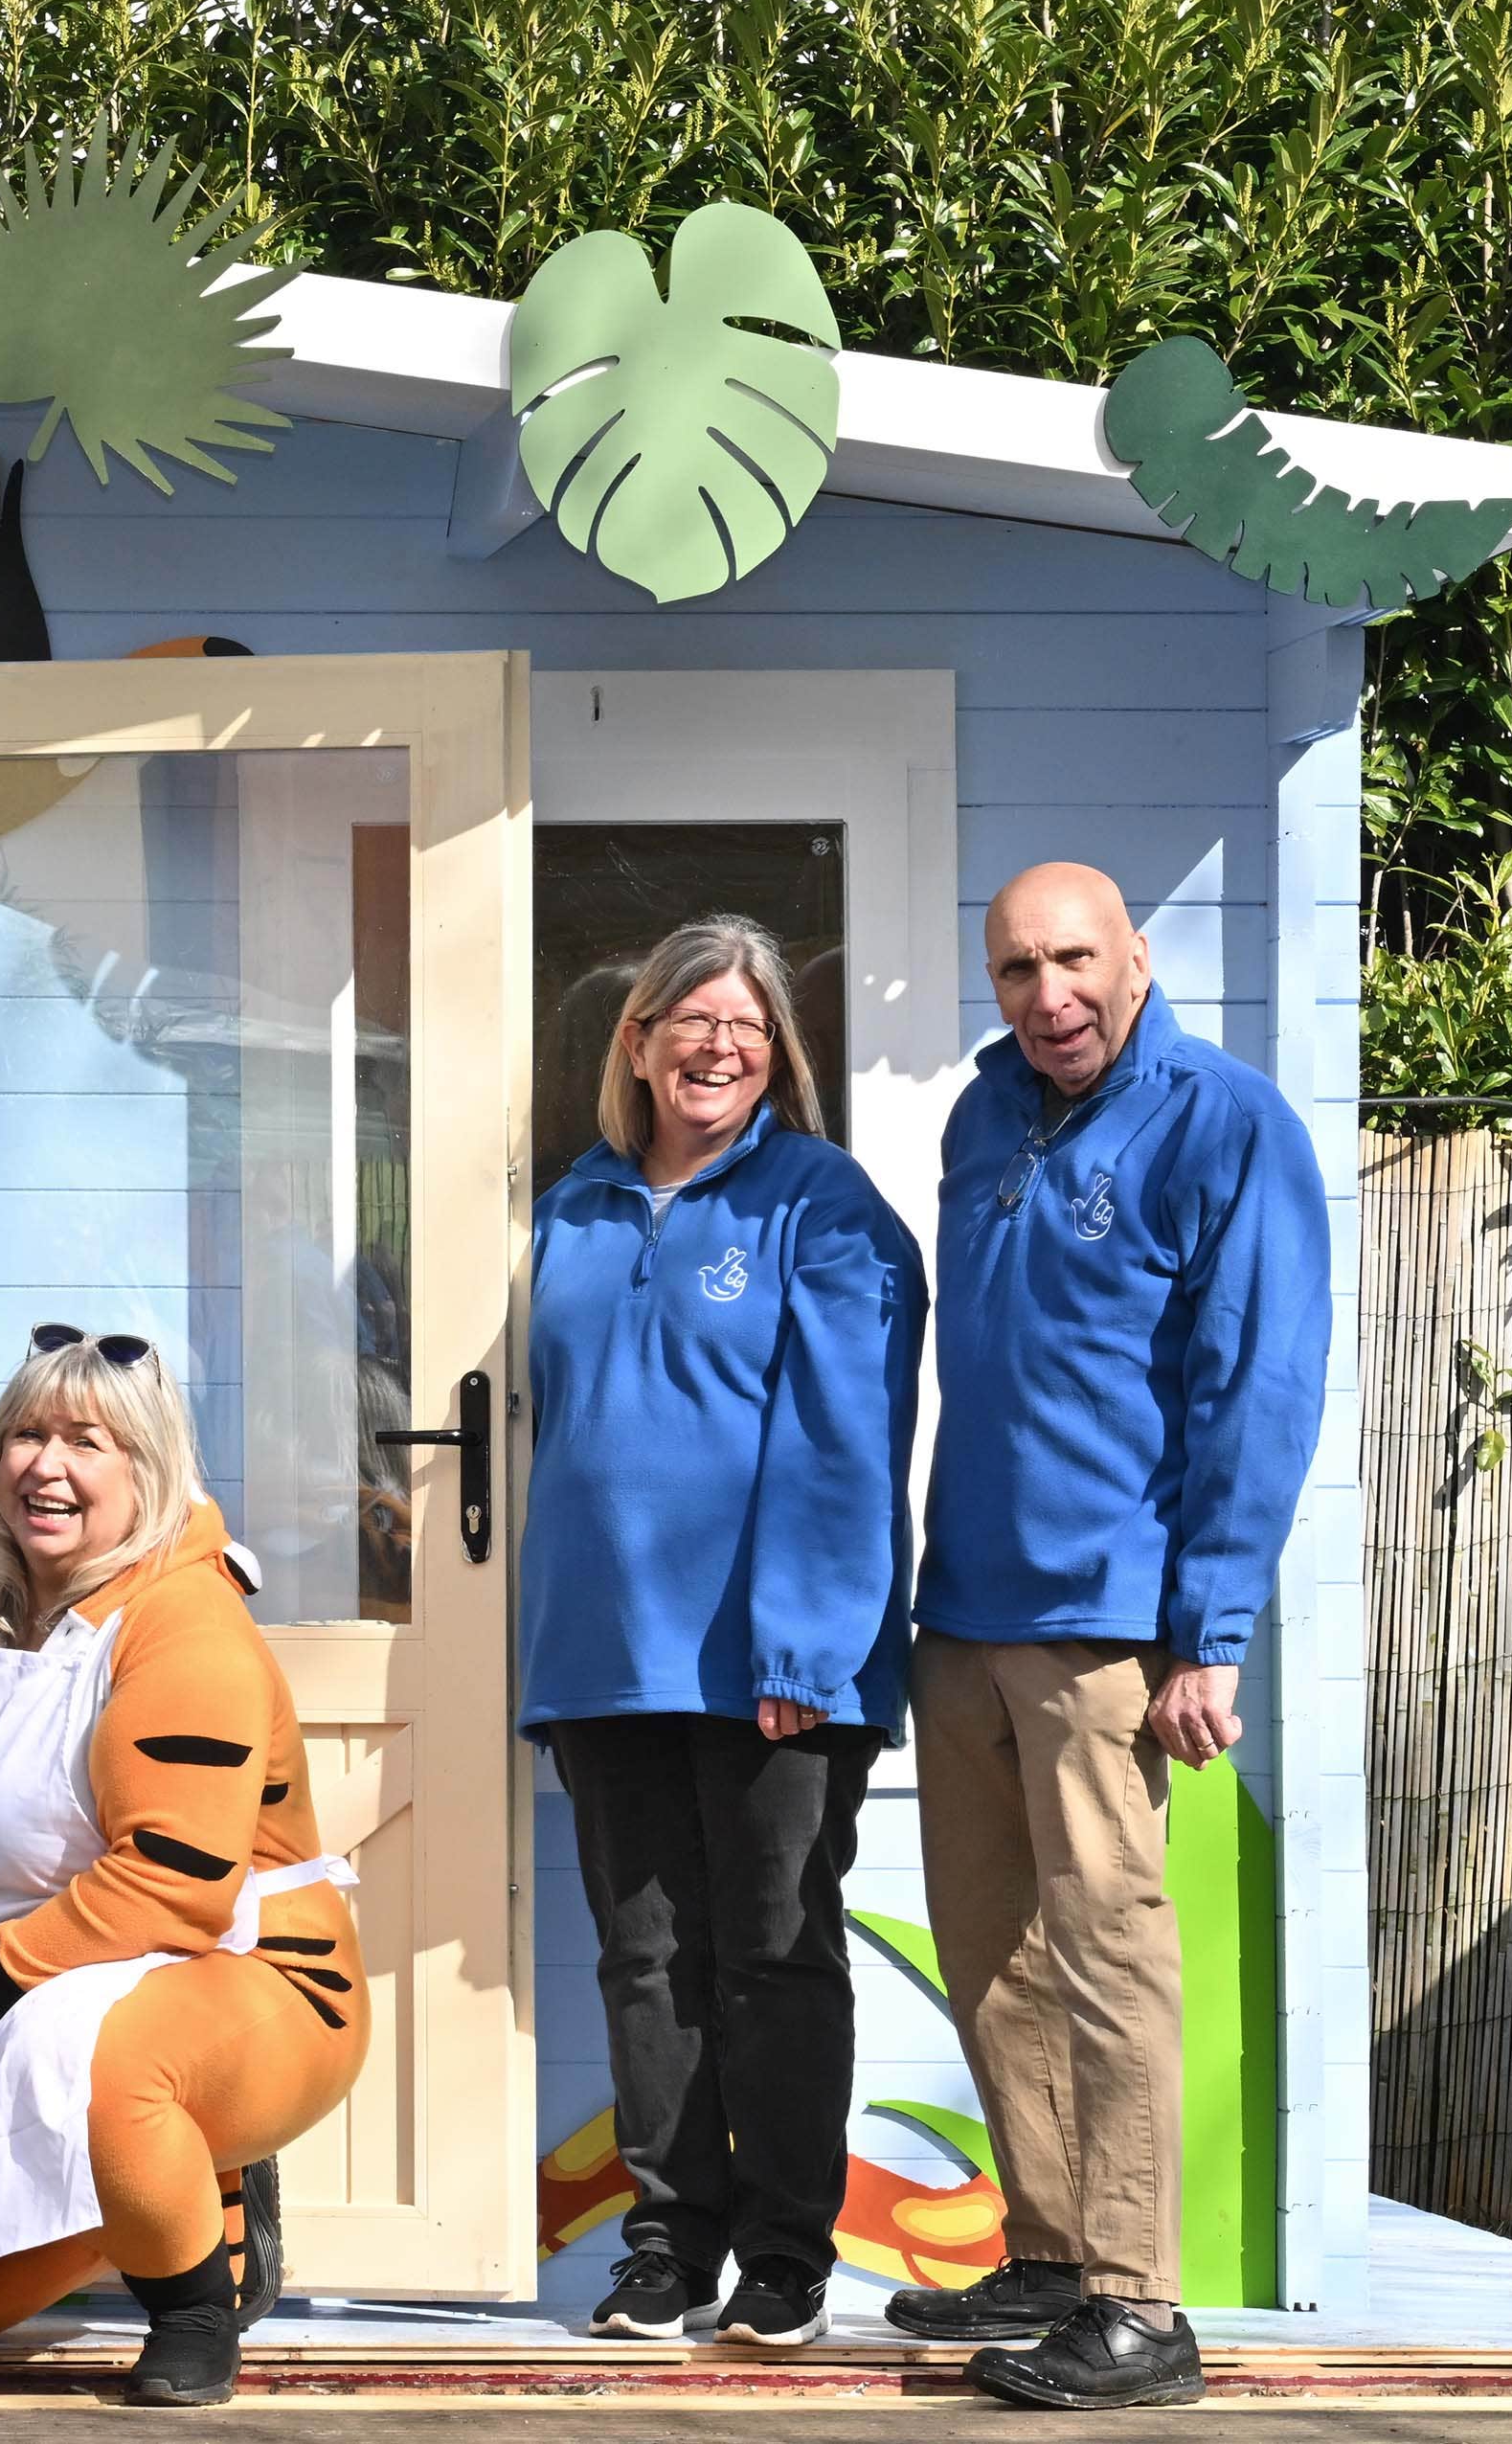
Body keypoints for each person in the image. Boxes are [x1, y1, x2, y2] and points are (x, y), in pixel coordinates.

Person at [881, 864, 1330, 2410]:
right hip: (964, 1612)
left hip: (1106, 1629)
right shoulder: (976, 1114)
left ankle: (1140, 2307)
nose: (1043, 994)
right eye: (1012, 968)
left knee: (1104, 1952)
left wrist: (1208, 1632)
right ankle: (1056, 2252)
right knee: (986, 1946)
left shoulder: (1224, 1123)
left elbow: (1256, 1390)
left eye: (1070, 959)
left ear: (1132, 957)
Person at [0, 1333, 365, 2407]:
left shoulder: (186, 1620)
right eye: (26, 1432)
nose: (45, 1465)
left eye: (86, 1441)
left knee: (107, 2071)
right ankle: (165, 2189)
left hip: (245, 1974)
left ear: (147, 1468)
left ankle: (195, 2304)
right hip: (5, 1982)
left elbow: (172, 1875)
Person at [520, 917, 926, 2348]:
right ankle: (663, 2245)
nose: (712, 1044)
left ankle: (783, 2256)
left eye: (744, 1026)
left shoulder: (821, 1206)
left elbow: (843, 1439)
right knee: (644, 1963)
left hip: (774, 1667)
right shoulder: (565, 1208)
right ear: (631, 1042)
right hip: (601, 1654)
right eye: (685, 1017)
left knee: (771, 1955)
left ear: (776, 1058)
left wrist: (804, 1653)